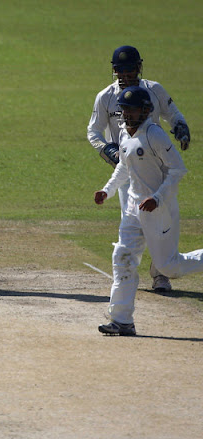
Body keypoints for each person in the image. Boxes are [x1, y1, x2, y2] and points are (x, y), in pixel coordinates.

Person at [94, 86, 203, 336]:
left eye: (133, 109)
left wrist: (157, 198)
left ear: (145, 111)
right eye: (124, 109)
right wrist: (107, 191)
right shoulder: (123, 133)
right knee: (123, 258)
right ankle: (122, 320)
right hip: (133, 208)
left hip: (159, 210)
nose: (128, 114)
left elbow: (178, 169)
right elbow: (124, 167)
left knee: (168, 267)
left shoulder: (154, 134)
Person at [87, 45, 190, 292]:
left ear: (138, 68)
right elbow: (93, 131)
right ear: (114, 71)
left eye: (130, 69)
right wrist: (106, 149)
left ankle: (160, 274)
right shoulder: (106, 97)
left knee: (160, 219)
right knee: (132, 221)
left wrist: (181, 127)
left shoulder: (153, 90)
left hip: (159, 168)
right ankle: (125, 275)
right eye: (120, 71)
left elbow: (173, 114)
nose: (125, 75)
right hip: (127, 170)